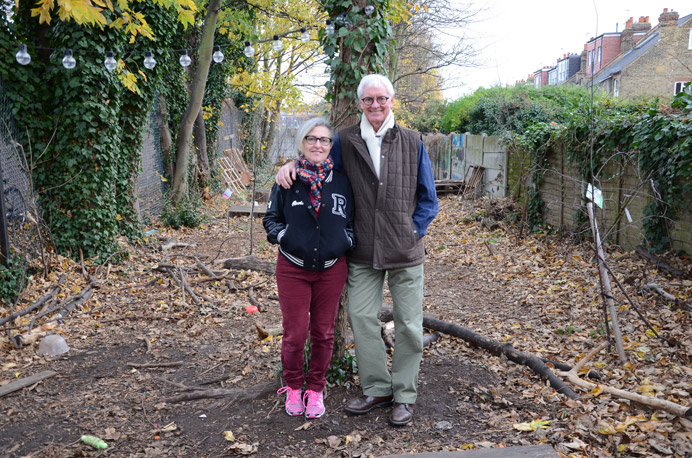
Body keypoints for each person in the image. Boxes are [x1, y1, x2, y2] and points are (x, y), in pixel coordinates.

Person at [275, 74, 438, 426]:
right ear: (361, 102)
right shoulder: (346, 139)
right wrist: (288, 165)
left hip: (405, 251)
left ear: (392, 100)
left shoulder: (413, 141)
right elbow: (314, 161)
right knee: (362, 318)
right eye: (368, 100)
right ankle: (377, 387)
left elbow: (429, 198)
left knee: (409, 325)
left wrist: (413, 231)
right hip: (363, 250)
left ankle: (405, 394)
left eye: (381, 99)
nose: (375, 106)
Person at [264, 117, 355, 419]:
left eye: (324, 140)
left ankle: (315, 388)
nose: (318, 144)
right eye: (311, 139)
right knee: (294, 333)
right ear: (302, 143)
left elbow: (354, 221)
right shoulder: (287, 180)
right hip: (293, 268)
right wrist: (284, 236)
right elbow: (271, 219)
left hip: (331, 268)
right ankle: (292, 386)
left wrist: (345, 240)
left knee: (323, 332)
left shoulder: (343, 180)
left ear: (331, 145)